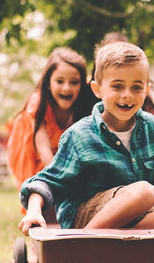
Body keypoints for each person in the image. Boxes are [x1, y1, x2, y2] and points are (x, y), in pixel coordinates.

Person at [18, 41, 154, 233]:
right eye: (117, 86)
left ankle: (121, 242)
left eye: (137, 87)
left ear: (146, 91)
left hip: (139, 215)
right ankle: (85, 241)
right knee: (145, 191)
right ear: (97, 89)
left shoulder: (152, 128)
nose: (127, 95)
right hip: (88, 218)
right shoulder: (80, 135)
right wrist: (34, 211)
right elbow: (47, 182)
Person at [6, 47, 95, 187]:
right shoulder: (38, 102)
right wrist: (62, 180)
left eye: (74, 82)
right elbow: (43, 149)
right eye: (60, 81)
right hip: (31, 150)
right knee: (40, 188)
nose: (66, 88)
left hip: (56, 151)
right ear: (48, 83)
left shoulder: (83, 106)